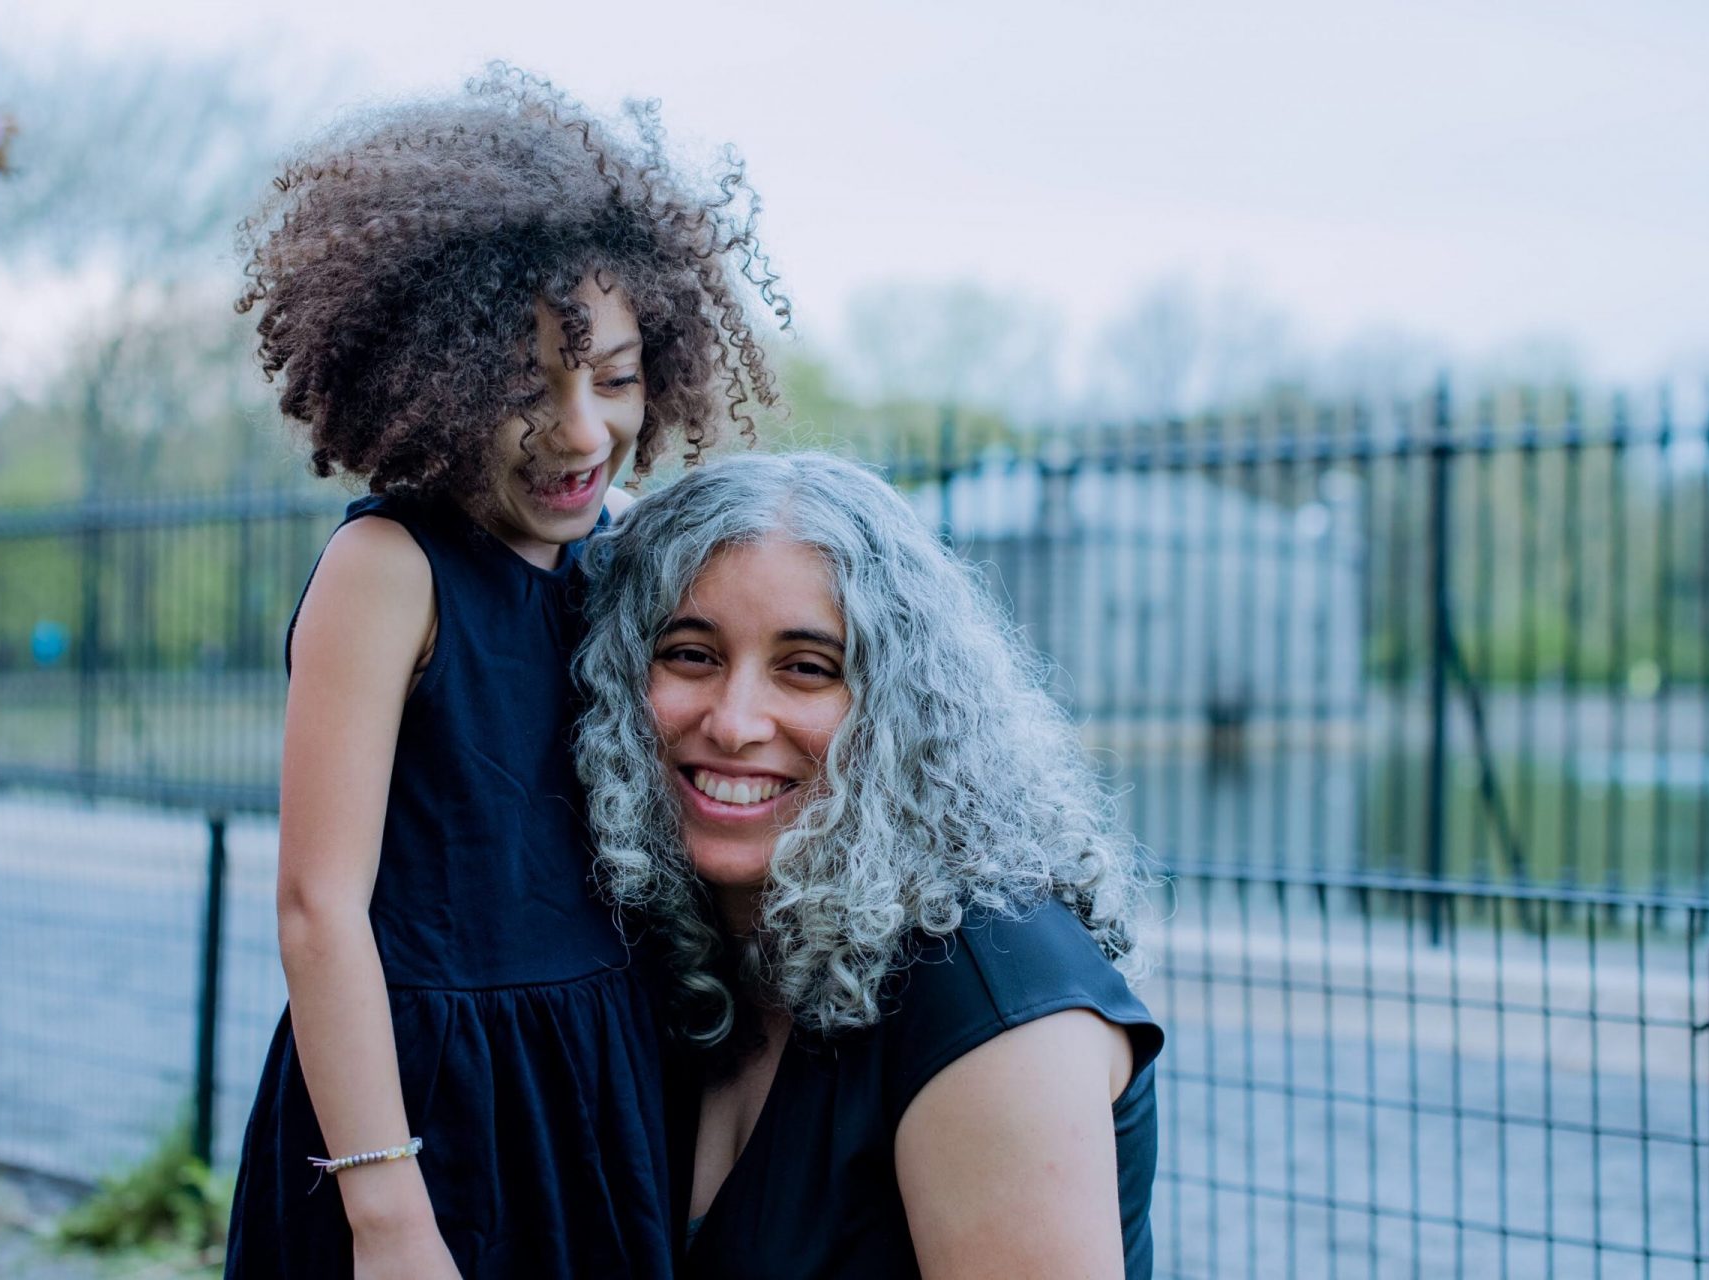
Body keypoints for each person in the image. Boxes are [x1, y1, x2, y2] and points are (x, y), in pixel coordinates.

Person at [222, 65, 786, 1280]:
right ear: (425, 379)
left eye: (618, 376)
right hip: (423, 1108)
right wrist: (388, 1214)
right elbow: (318, 910)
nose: (581, 428)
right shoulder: (390, 568)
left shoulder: (631, 550)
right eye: (526, 387)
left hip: (599, 1083)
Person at [573, 452, 1165, 1279]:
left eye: (807, 668)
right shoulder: (681, 947)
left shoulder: (991, 991)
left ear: (904, 710)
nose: (736, 722)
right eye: (691, 654)